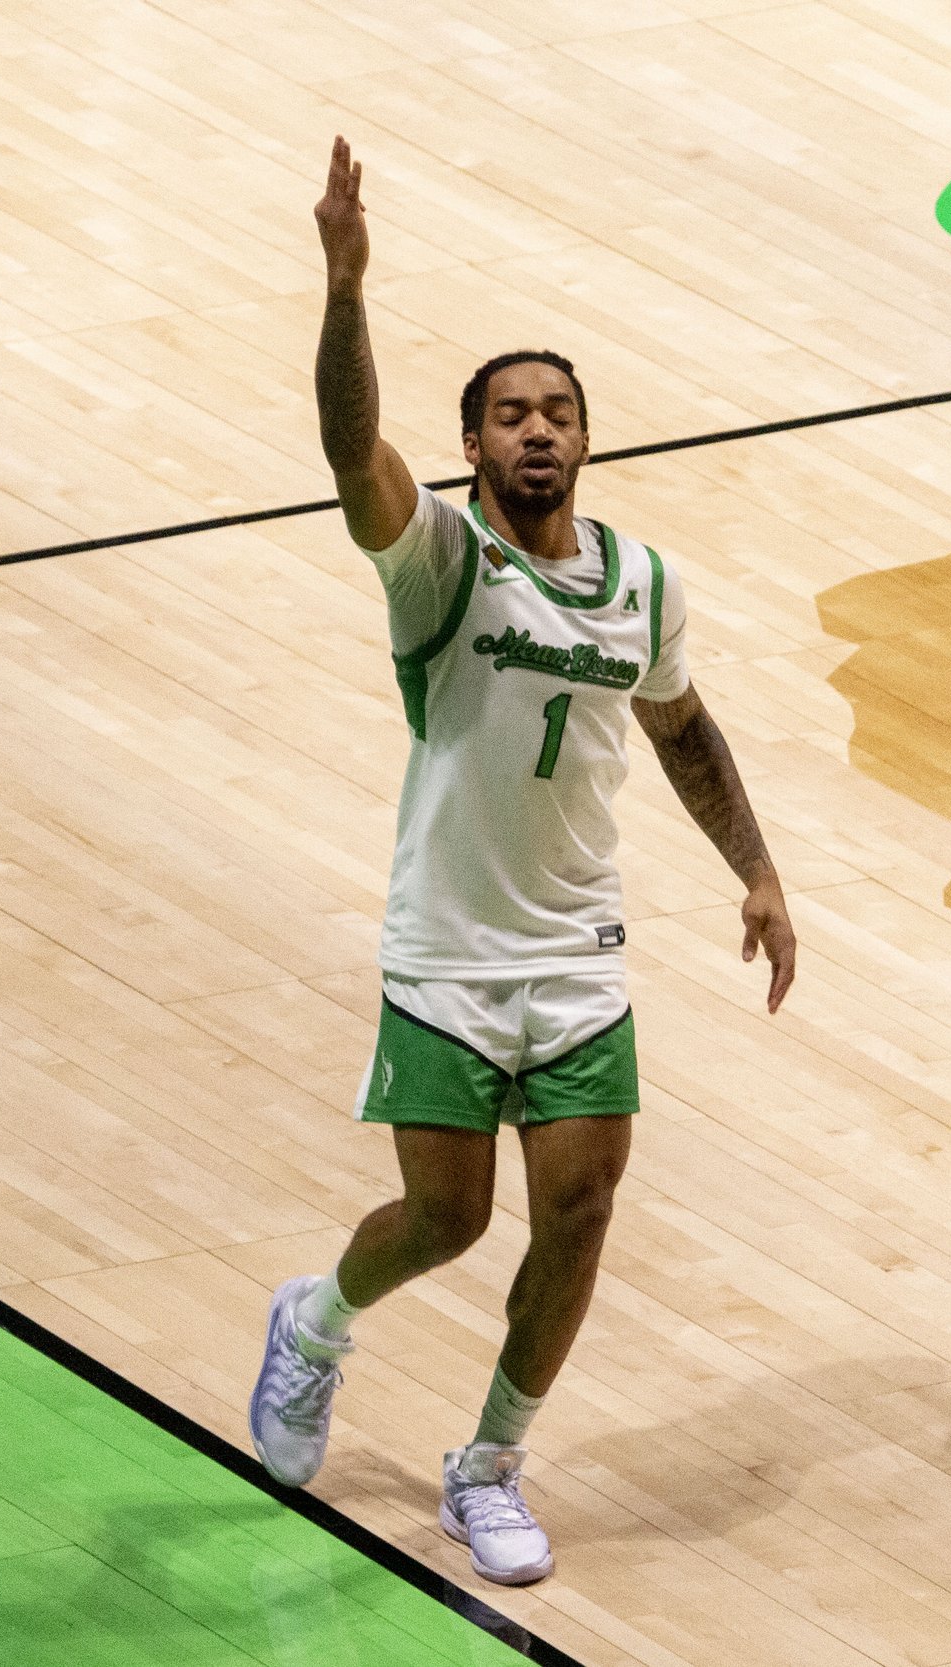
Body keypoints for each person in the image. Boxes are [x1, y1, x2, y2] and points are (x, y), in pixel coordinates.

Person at [249, 137, 798, 1587]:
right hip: (445, 949)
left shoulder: (642, 582)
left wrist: (756, 865)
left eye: (558, 412)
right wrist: (346, 285)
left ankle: (488, 1461)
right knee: (448, 1219)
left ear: (586, 437)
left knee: (582, 1207)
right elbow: (345, 450)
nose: (537, 432)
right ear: (474, 447)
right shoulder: (439, 562)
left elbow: (680, 726)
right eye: (509, 416)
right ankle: (315, 1323)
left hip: (575, 954)